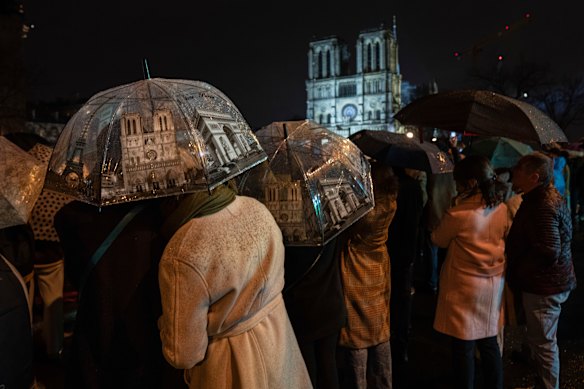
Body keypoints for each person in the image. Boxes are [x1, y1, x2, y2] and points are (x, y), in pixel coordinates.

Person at [157, 184, 312, 389]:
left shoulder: (183, 250)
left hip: (230, 367)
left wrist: (164, 326)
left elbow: (184, 354)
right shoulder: (256, 209)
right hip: (280, 348)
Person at [55, 199, 183, 389]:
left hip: (96, 321)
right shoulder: (163, 218)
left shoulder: (77, 218)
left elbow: (76, 274)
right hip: (146, 325)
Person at [431, 155, 510, 389]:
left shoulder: (458, 214)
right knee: (489, 343)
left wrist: (451, 206)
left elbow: (438, 239)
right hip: (492, 285)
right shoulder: (501, 208)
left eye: (459, 182)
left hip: (464, 289)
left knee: (463, 347)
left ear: (471, 183)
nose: (456, 186)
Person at [506, 152, 577, 389]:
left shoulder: (541, 205)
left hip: (544, 285)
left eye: (518, 171)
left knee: (545, 344)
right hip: (550, 281)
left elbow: (549, 249)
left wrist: (521, 269)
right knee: (542, 341)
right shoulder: (543, 197)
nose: (513, 173)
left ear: (534, 177)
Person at [337, 161, 399, 389]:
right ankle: (384, 381)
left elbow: (346, 228)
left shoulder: (365, 210)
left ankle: (359, 383)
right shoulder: (391, 202)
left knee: (357, 334)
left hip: (356, 267)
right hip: (379, 265)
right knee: (380, 329)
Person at [283, 237, 346, 389]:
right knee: (328, 366)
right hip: (331, 304)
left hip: (304, 312)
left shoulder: (293, 237)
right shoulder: (330, 221)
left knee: (308, 373)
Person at [387, 167, 424, 371]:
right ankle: (401, 346)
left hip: (389, 250)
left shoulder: (387, 189)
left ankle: (391, 339)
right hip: (406, 251)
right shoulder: (414, 187)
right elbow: (416, 219)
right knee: (402, 301)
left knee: (390, 299)